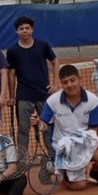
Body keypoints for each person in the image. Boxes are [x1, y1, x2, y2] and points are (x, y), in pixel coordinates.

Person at [33, 64, 98, 190]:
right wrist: (37, 123)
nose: (70, 85)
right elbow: (44, 127)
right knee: (79, 186)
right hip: (64, 148)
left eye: (72, 80)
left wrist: (80, 150)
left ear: (79, 79)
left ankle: (96, 172)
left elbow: (95, 130)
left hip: (86, 141)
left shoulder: (93, 100)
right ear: (61, 84)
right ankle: (57, 168)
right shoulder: (52, 101)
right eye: (65, 82)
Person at [6, 16, 59, 152]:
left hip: (43, 94)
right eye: (21, 28)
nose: (25, 31)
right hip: (23, 96)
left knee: (47, 127)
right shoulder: (12, 51)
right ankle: (22, 162)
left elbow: (55, 61)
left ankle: (53, 159)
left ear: (32, 29)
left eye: (27, 28)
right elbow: (11, 74)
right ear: (17, 31)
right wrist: (12, 96)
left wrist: (55, 83)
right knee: (23, 130)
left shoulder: (43, 45)